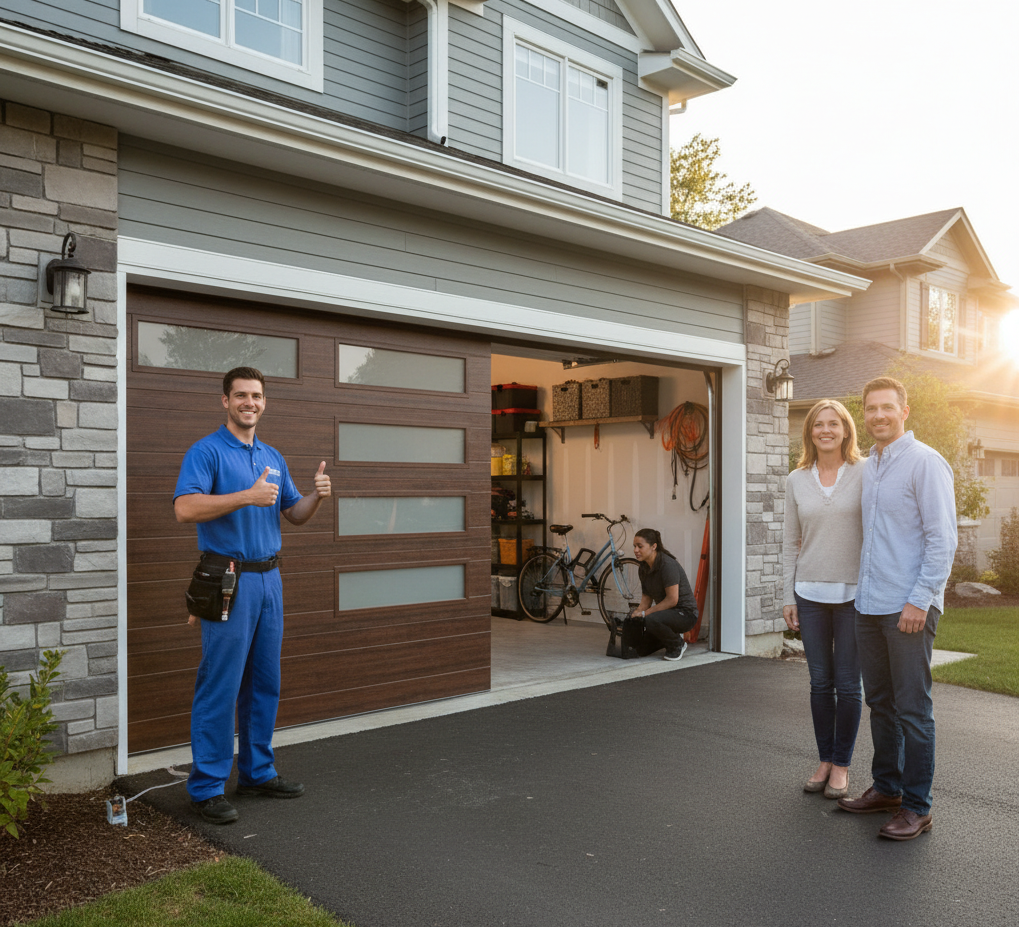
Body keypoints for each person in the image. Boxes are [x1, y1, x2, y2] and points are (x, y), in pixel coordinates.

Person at [174, 366, 332, 825]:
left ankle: (257, 772)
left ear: (265, 402)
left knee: (264, 682)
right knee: (220, 684)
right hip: (228, 579)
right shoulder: (206, 451)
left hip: (269, 580)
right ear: (225, 401)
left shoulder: (272, 456)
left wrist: (318, 496)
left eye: (257, 396)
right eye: (241, 395)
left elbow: (294, 513)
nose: (250, 402)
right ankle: (206, 787)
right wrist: (246, 495)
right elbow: (185, 508)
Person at [837, 376, 956, 841]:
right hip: (869, 605)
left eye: (887, 407)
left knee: (913, 710)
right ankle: (887, 788)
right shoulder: (870, 467)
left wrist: (919, 599)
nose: (879, 415)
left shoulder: (925, 462)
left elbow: (942, 539)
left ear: (904, 411)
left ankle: (917, 806)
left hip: (908, 607)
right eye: (871, 408)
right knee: (881, 704)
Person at [783, 400, 864, 800]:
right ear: (810, 432)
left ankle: (842, 765)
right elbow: (789, 541)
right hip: (810, 594)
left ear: (846, 430)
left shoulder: (866, 472)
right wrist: (788, 595)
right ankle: (825, 759)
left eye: (834, 423)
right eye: (819, 424)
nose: (826, 430)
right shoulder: (796, 480)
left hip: (854, 595)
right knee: (820, 683)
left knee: (848, 685)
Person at [630, 528, 698, 661]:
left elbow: (672, 600)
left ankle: (677, 644)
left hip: (685, 614)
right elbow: (646, 601)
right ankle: (665, 639)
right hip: (665, 614)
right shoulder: (643, 568)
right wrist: (635, 615)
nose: (635, 550)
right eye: (634, 546)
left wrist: (645, 614)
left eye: (640, 546)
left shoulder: (667, 565)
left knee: (651, 619)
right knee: (640, 649)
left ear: (653, 546)